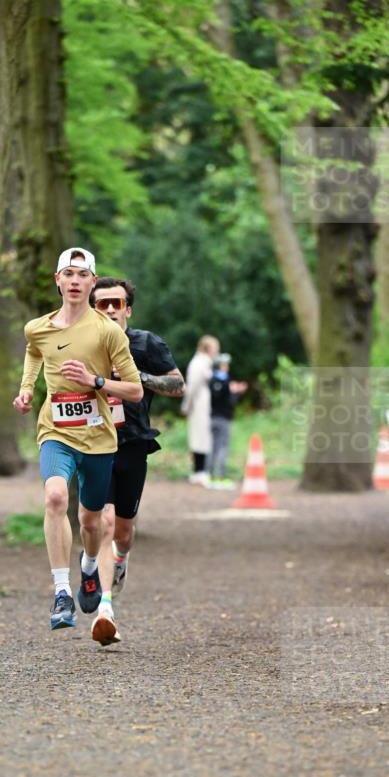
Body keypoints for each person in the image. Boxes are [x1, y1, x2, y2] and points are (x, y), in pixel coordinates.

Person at [13, 248, 143, 630]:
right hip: (55, 429)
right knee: (55, 497)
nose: (74, 280)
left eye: (81, 274)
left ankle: (88, 567)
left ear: (91, 282)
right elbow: (34, 351)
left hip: (98, 437)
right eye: (67, 273)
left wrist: (95, 381)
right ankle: (61, 593)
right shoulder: (37, 327)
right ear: (58, 281)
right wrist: (26, 389)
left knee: (91, 521)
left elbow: (134, 390)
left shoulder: (108, 331)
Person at [90, 277, 185, 647]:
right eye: (103, 304)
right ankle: (104, 609)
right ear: (94, 309)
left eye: (117, 303)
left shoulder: (147, 344)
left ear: (128, 308)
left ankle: (121, 560)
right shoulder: (82, 344)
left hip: (133, 442)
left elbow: (177, 386)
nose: (111, 310)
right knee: (105, 520)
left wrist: (137, 377)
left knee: (124, 532)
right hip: (94, 442)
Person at [181, 335, 219, 486]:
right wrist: (186, 406)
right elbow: (192, 387)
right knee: (198, 438)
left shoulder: (206, 362)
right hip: (197, 405)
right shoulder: (198, 363)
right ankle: (199, 472)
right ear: (208, 348)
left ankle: (201, 471)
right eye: (216, 348)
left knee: (203, 438)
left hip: (203, 405)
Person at [208, 353, 248, 489]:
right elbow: (229, 401)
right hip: (224, 418)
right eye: (225, 365)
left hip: (212, 417)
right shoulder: (225, 382)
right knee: (223, 447)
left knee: (213, 447)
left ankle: (210, 476)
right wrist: (236, 392)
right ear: (221, 366)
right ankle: (221, 476)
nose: (227, 367)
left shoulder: (211, 380)